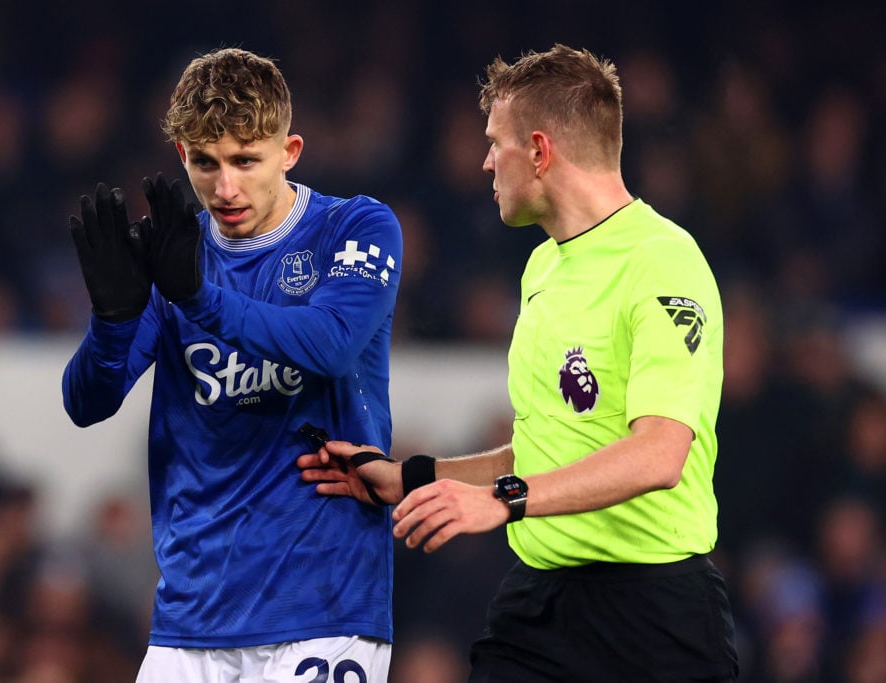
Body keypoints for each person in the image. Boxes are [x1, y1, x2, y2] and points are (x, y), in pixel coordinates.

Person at [300, 43, 739, 682]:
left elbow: (658, 455)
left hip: (655, 619)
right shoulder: (542, 268)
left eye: (495, 142)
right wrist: (410, 477)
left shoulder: (664, 262)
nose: (484, 161)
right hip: (539, 609)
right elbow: (546, 451)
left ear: (539, 150)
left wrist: (506, 501)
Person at [62, 47, 402, 682]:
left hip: (323, 608)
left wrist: (198, 298)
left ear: (290, 151)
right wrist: (111, 322)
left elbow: (330, 343)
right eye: (205, 163)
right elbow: (87, 402)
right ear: (181, 157)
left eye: (247, 161)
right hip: (192, 615)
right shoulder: (173, 257)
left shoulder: (355, 227)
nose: (226, 187)